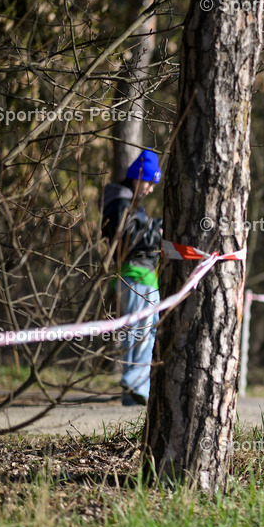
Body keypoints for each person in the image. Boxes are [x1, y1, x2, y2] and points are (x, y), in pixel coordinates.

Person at [101, 148, 163, 406]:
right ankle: (135, 383)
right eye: (148, 182)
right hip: (135, 278)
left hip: (140, 278)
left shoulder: (128, 203)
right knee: (141, 332)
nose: (150, 189)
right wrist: (159, 229)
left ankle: (132, 397)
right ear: (137, 176)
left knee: (139, 333)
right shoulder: (121, 203)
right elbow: (130, 238)